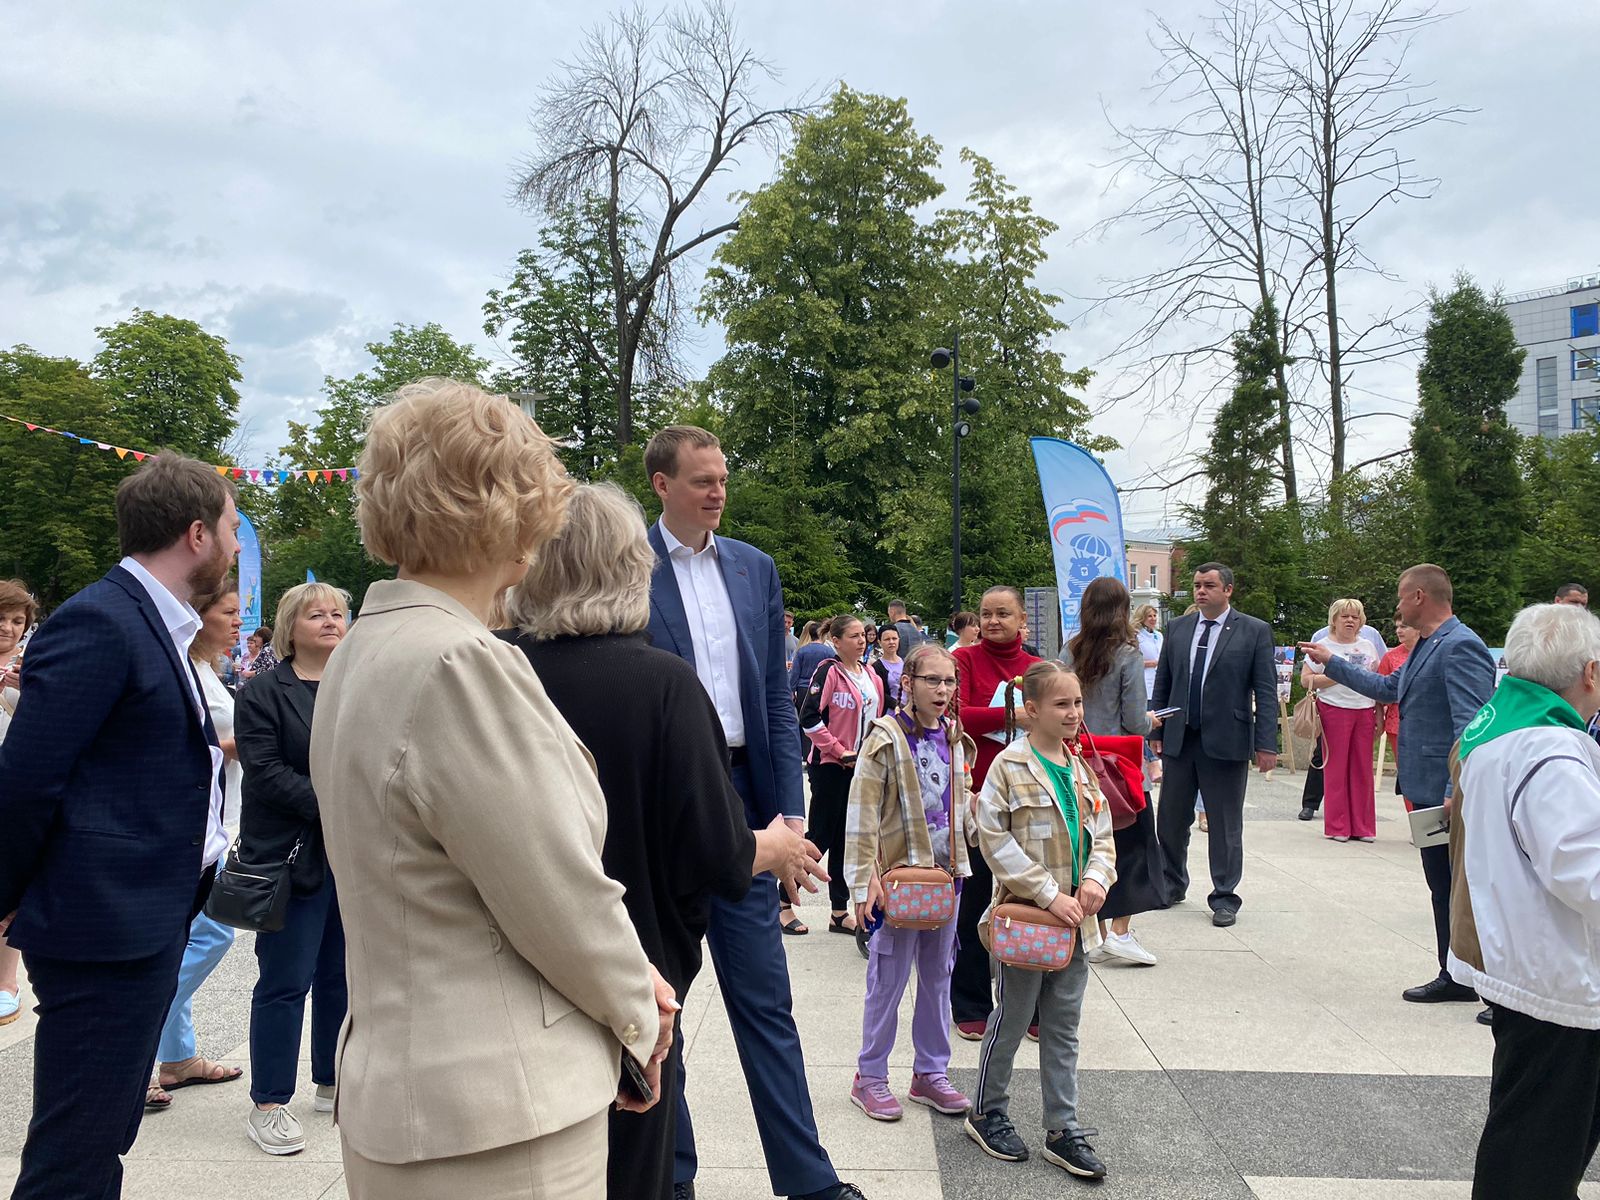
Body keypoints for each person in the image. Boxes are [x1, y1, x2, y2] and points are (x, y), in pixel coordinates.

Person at [309, 380, 670, 1200]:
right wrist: (637, 1012)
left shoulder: (362, 650)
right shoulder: (459, 661)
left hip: (406, 1093)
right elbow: (555, 890)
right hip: (498, 1114)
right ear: (508, 513)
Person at [499, 481, 825, 1200]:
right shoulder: (660, 683)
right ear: (628, 563)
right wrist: (770, 847)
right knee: (641, 1108)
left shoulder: (490, 667)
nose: (718, 490)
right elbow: (717, 849)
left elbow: (772, 698)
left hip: (526, 951)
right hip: (644, 925)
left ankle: (795, 1176)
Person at [0, 454, 239, 1200]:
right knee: (75, 1154)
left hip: (144, 918)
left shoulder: (156, 624)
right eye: (232, 530)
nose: (235, 548)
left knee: (100, 1140)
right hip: (102, 927)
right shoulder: (101, 620)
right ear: (197, 534)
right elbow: (26, 780)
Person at [643, 424, 864, 1200]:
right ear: (662, 484)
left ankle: (808, 1183)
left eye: (723, 479)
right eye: (702, 480)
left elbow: (774, 696)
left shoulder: (753, 569)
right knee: (657, 1003)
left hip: (743, 792)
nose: (717, 492)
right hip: (661, 801)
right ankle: (672, 1178)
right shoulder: (626, 567)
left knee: (766, 1000)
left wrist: (790, 813)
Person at [1447, 603, 1600, 1199]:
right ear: (1591, 672)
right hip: (1557, 973)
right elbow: (1586, 872)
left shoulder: (1496, 727)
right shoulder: (1553, 755)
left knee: (1536, 1129)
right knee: (1537, 1145)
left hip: (1524, 956)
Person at [1300, 563, 1495, 1005]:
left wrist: (1454, 789)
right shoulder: (1428, 644)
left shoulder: (1460, 645)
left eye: (1402, 597)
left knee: (1466, 889)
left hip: (1445, 793)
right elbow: (1389, 689)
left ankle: (1489, 987)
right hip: (1424, 789)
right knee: (1441, 885)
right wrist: (1333, 662)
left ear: (1421, 598)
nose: (1397, 606)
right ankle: (1456, 974)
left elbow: (1473, 723)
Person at [964, 661, 1116, 1179]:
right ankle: (987, 1110)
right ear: (1031, 711)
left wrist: (1097, 879)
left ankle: (1063, 1127)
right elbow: (994, 840)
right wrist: (1049, 893)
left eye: (1077, 703)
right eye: (1062, 704)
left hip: (1077, 925)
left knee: (1063, 1026)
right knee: (1011, 1015)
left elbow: (1102, 832)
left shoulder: (1080, 766)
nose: (1074, 713)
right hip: (1028, 922)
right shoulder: (1008, 766)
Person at [235, 581, 351, 1155]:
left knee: (341, 977)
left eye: (337, 613)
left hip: (351, 858)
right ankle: (270, 1102)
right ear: (290, 626)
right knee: (285, 982)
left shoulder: (361, 684)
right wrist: (340, 802)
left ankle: (333, 1081)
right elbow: (265, 772)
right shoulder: (263, 693)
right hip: (290, 857)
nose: (330, 622)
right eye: (316, 614)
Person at [845, 642, 975, 1122]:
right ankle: (870, 1076)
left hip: (947, 882)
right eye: (931, 681)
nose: (942, 691)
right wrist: (863, 883)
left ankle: (929, 1073)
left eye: (949, 681)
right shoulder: (884, 737)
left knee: (939, 979)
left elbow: (960, 809)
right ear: (908, 683)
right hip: (897, 883)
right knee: (888, 980)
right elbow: (861, 815)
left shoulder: (956, 738)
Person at [146, 578, 246, 1110]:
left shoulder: (206, 667)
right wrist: (253, 740)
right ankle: (142, 1035)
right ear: (197, 614)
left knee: (196, 935)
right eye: (228, 611)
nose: (238, 621)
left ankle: (176, 1054)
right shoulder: (182, 667)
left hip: (215, 826)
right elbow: (185, 746)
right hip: (189, 830)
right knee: (208, 936)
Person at [1151, 563, 1277, 927]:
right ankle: (1171, 884)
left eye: (1209, 585)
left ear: (1228, 590)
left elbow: (1266, 691)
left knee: (1224, 823)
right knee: (1171, 820)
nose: (1200, 591)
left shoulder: (1253, 631)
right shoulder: (1178, 627)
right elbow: (1164, 682)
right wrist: (1155, 731)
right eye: (1196, 585)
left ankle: (1224, 896)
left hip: (1226, 740)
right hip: (1180, 737)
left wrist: (1266, 744)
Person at [950, 585, 1042, 1039]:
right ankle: (969, 1000)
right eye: (986, 614)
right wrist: (1013, 718)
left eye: (1003, 613)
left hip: (1029, 800)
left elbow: (1058, 716)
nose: (993, 621)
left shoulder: (1038, 669)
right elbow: (955, 716)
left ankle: (1031, 1006)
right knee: (972, 903)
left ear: (1022, 619)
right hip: (975, 795)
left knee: (1030, 900)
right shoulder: (962, 661)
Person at [1061, 577, 1166, 966]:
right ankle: (1119, 932)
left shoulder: (1069, 651)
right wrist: (1152, 719)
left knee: (1087, 850)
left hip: (1075, 761)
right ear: (1123, 611)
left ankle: (1096, 930)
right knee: (1133, 851)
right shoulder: (1127, 654)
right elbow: (1135, 721)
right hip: (1119, 768)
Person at [800, 614, 885, 936]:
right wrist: (839, 750)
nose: (861, 640)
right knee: (820, 837)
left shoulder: (872, 675)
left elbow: (882, 717)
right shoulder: (829, 671)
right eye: (853, 636)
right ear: (835, 641)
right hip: (830, 767)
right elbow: (808, 718)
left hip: (861, 769)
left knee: (846, 841)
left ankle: (839, 911)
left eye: (863, 635)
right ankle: (782, 902)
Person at [1300, 599, 1381, 843]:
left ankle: (1363, 826)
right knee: (1335, 768)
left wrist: (1379, 713)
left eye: (1354, 617)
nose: (1349, 621)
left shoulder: (1368, 646)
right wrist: (1339, 674)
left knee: (1362, 769)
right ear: (1334, 620)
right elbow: (1306, 680)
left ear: (1361, 622)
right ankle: (1337, 826)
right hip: (1334, 709)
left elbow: (1375, 681)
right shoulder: (1322, 646)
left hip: (1364, 710)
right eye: (1344, 616)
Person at [0, 579, 38, 1029]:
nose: (9, 629)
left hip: (14, 791)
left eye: (17, 621)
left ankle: (7, 982)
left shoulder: (34, 669)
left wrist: (25, 690)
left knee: (9, 892)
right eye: (2, 619)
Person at [1375, 616, 1418, 766]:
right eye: (1397, 627)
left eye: (1404, 627)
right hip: (1397, 722)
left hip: (1425, 721)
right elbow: (1379, 691)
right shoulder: (1390, 657)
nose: (1399, 631)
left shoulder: (1431, 651)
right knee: (1405, 769)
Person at [872, 625, 905, 715]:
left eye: (894, 638)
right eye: (887, 639)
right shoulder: (877, 667)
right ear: (879, 642)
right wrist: (898, 706)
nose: (891, 642)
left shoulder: (906, 663)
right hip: (890, 714)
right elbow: (880, 693)